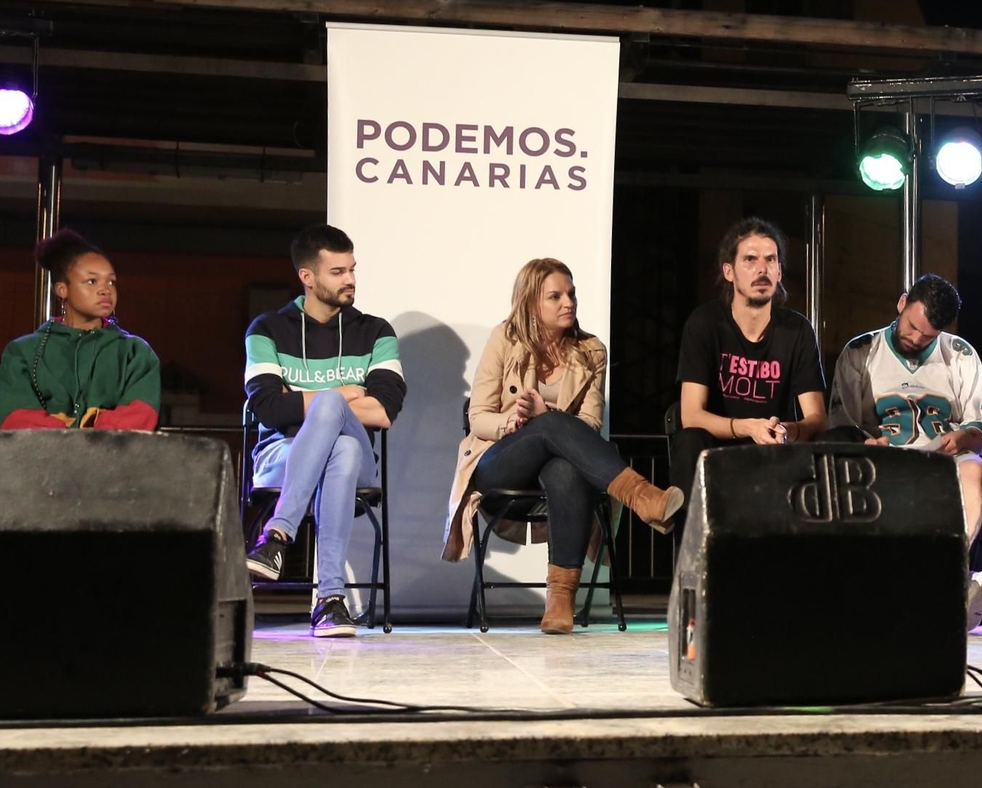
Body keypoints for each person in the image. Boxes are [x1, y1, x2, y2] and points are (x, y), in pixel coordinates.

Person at [444, 258, 684, 633]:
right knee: (553, 423)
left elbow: (589, 427)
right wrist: (516, 422)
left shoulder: (591, 352)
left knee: (566, 467)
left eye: (570, 293)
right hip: (500, 465)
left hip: (555, 474)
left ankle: (560, 601)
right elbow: (478, 417)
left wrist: (545, 413)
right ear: (531, 304)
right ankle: (643, 497)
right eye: (554, 296)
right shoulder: (504, 338)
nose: (567, 302)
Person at [243, 225, 406, 638]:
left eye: (352, 269)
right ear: (307, 277)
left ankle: (277, 536)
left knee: (334, 412)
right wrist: (349, 393)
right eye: (337, 272)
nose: (350, 279)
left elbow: (384, 411)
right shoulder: (267, 330)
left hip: (360, 472)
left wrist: (309, 398)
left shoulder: (376, 332)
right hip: (280, 456)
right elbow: (265, 406)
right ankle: (331, 601)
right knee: (345, 449)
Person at [827, 275, 982, 630]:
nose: (917, 339)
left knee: (975, 470)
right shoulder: (861, 352)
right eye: (913, 327)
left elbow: (980, 424)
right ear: (902, 302)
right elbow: (840, 424)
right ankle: (955, 587)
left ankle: (954, 571)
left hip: (944, 461)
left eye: (929, 336)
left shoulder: (960, 354)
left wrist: (961, 438)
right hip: (884, 462)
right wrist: (866, 445)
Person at [670, 218, 828, 503]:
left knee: (836, 439)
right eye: (750, 260)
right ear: (729, 272)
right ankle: (690, 547)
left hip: (775, 451)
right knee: (688, 439)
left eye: (770, 260)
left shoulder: (797, 329)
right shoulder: (705, 323)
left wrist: (790, 430)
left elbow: (816, 418)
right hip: (719, 450)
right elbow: (691, 415)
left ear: (779, 271)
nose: (761, 269)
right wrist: (748, 427)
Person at [0, 229, 160, 431]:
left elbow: (140, 416)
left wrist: (91, 433)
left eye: (111, 281)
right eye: (92, 281)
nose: (105, 289)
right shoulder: (23, 352)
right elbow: (15, 417)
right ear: (62, 289)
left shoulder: (135, 353)